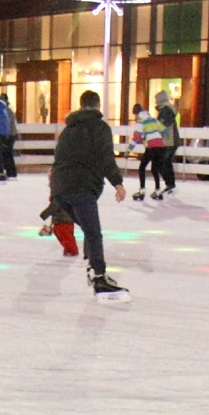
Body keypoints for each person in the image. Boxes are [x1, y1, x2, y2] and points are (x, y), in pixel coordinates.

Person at [50, 90, 130, 302]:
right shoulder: (99, 127)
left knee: (89, 229)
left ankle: (92, 268)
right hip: (81, 186)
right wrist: (118, 183)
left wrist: (55, 190)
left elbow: (59, 158)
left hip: (60, 189)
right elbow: (106, 157)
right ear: (98, 106)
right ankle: (99, 277)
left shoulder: (69, 129)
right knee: (94, 232)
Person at [132, 104, 166, 201]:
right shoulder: (153, 119)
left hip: (151, 147)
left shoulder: (140, 121)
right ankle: (158, 191)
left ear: (136, 113)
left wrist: (128, 150)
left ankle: (142, 191)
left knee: (142, 168)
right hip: (160, 146)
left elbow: (136, 138)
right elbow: (164, 130)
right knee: (154, 169)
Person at [153, 91, 181, 196]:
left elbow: (165, 124)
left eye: (156, 100)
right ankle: (171, 185)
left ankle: (170, 184)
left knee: (161, 162)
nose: (155, 102)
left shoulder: (165, 110)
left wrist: (155, 126)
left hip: (168, 141)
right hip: (171, 140)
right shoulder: (168, 109)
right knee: (166, 163)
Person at [0, 93, 17, 180]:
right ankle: (10, 172)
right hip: (7, 133)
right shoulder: (4, 108)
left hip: (4, 134)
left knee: (0, 154)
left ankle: (2, 172)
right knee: (5, 154)